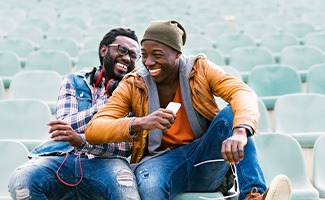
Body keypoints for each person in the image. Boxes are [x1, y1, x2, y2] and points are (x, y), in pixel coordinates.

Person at [85, 20, 292, 200]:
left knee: (231, 115)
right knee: (150, 185)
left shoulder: (200, 69)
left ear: (177, 53)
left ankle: (252, 195)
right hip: (158, 162)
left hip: (204, 156)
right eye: (145, 55)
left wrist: (240, 132)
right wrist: (141, 122)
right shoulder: (133, 83)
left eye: (157, 54)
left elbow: (242, 92)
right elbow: (94, 129)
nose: (148, 62)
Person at [8, 28, 141, 200]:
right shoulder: (74, 81)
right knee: (22, 182)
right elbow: (63, 127)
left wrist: (81, 140)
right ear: (103, 50)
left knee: (126, 190)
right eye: (122, 50)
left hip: (108, 162)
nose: (127, 58)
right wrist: (110, 109)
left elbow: (125, 145)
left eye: (133, 55)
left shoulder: (135, 92)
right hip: (61, 157)